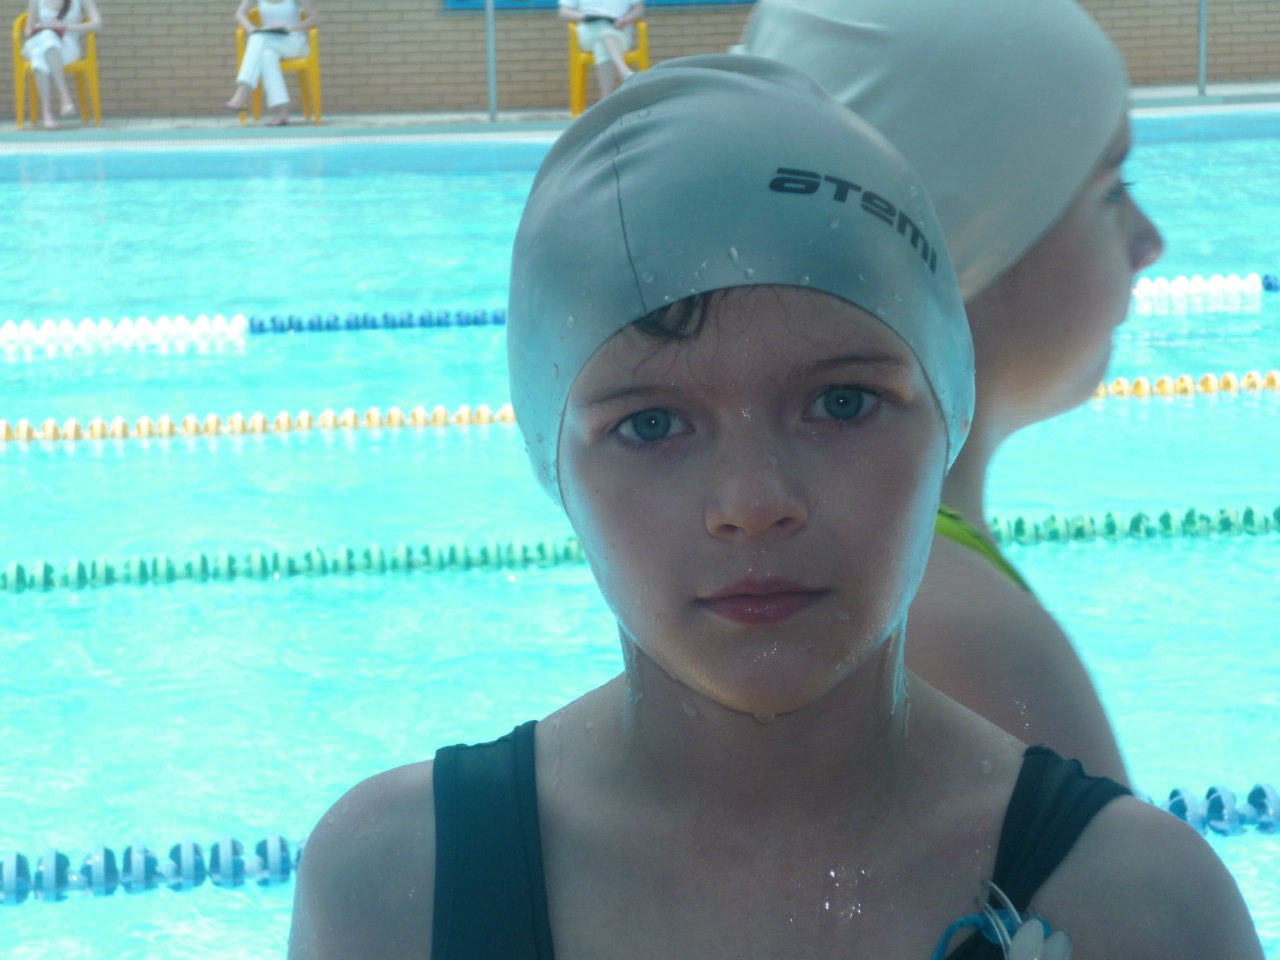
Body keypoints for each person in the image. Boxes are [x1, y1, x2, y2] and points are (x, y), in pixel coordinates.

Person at [287, 56, 1261, 960]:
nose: (753, 504)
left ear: (947, 416)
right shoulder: (394, 886)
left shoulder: (1140, 908)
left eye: (841, 404)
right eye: (651, 424)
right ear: (554, 462)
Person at [741, 0, 1167, 785]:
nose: (1151, 241)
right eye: (1113, 191)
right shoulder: (963, 634)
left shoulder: (862, 568)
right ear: (964, 244)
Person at [223, 0, 320, 126]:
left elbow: (315, 18)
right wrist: (250, 28)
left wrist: (289, 28)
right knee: (266, 55)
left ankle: (241, 95)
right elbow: (239, 14)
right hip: (270, 40)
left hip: (294, 41)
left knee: (257, 38)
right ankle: (282, 113)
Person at [20, 0, 102, 130]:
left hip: (67, 45)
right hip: (40, 41)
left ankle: (47, 113)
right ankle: (65, 98)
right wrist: (40, 27)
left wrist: (66, 27)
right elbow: (28, 30)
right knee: (46, 38)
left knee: (38, 55)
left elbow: (98, 25)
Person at [559, 0, 643, 100]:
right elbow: (563, 12)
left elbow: (639, 9)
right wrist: (586, 17)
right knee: (603, 29)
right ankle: (625, 72)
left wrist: (625, 20)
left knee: (602, 45)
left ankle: (606, 99)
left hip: (618, 32)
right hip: (589, 32)